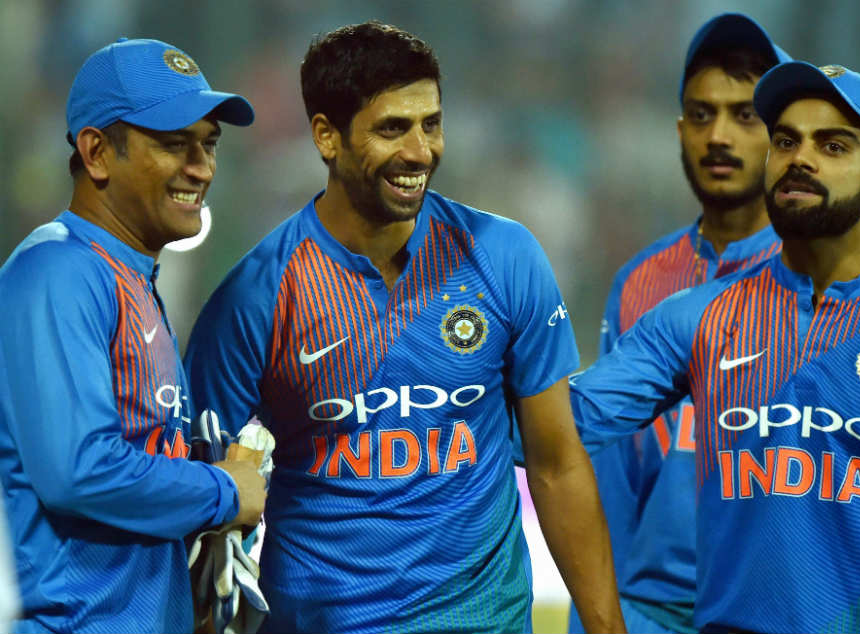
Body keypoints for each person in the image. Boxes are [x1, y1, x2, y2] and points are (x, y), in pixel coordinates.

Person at [184, 21, 625, 634]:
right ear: (326, 136)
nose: (421, 151)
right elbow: (199, 498)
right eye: (392, 128)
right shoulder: (256, 296)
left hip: (483, 622)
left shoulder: (503, 257)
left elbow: (556, 464)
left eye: (431, 124)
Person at [570, 60, 860, 632]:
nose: (801, 158)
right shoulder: (696, 317)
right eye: (786, 141)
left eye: (833, 146)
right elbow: (555, 427)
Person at [0, 38, 267, 633]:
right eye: (174, 144)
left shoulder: (128, 275)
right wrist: (225, 491)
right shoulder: (58, 271)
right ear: (96, 152)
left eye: (209, 143)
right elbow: (80, 469)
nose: (202, 167)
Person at [568, 13, 789, 634]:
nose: (718, 135)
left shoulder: (823, 283)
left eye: (745, 115)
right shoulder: (639, 280)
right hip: (650, 610)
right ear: (679, 129)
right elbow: (610, 470)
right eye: (701, 114)